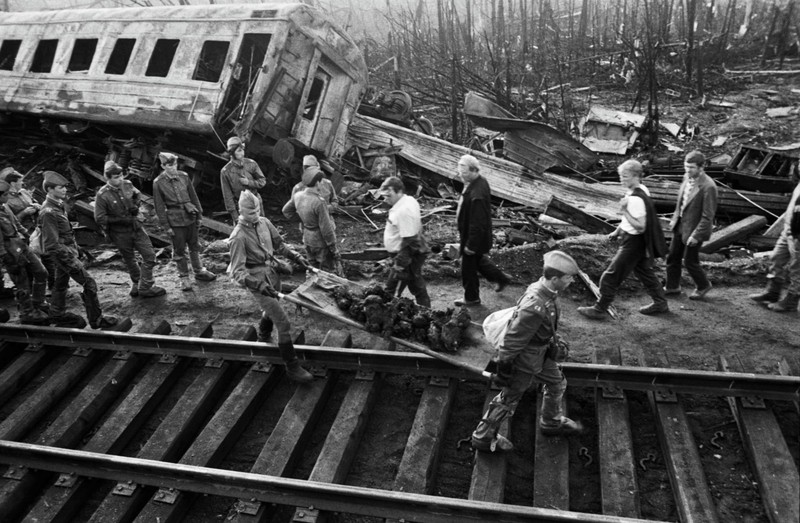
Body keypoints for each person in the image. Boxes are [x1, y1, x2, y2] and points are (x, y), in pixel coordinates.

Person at [471, 250, 583, 453]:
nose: (572, 282)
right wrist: (503, 367)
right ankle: (483, 437)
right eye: (569, 278)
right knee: (509, 399)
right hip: (525, 360)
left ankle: (550, 422)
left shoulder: (546, 291)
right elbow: (512, 341)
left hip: (541, 352)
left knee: (557, 382)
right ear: (555, 278)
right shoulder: (535, 305)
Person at [228, 190, 314, 383]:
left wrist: (296, 257)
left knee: (271, 308)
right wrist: (258, 284)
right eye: (251, 213)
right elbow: (237, 272)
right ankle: (292, 367)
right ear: (241, 211)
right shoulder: (238, 236)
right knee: (283, 322)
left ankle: (263, 335)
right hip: (257, 280)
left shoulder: (265, 222)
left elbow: (279, 245)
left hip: (273, 274)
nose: (255, 215)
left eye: (257, 210)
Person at [577, 159, 668, 319]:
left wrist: (624, 210)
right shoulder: (640, 190)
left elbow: (640, 226)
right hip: (635, 240)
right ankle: (660, 303)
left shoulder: (635, 199)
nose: (621, 179)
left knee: (610, 276)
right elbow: (633, 219)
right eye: (621, 176)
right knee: (645, 273)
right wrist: (617, 231)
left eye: (625, 176)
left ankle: (600, 309)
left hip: (634, 242)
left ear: (635, 176)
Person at [39, 170, 118, 329]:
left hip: (66, 252)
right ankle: (96, 319)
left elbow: (64, 235)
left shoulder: (58, 206)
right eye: (60, 188)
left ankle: (56, 313)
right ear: (49, 190)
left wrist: (77, 249)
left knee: (61, 283)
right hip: (63, 255)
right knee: (89, 283)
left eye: (64, 187)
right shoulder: (48, 212)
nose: (64, 190)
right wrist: (70, 258)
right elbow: (51, 244)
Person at [94, 161, 166, 299]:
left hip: (136, 228)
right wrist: (121, 220)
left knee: (150, 256)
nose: (120, 179)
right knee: (130, 259)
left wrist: (136, 205)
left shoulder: (127, 184)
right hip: (120, 233)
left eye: (121, 176)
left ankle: (145, 286)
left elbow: (137, 194)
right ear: (107, 178)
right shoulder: (102, 195)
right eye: (116, 177)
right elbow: (100, 218)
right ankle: (137, 282)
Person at [152, 152, 216, 291]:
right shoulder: (158, 183)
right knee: (179, 250)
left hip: (190, 215)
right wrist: (166, 226)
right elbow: (159, 207)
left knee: (194, 245)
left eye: (174, 164)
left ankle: (199, 271)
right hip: (175, 220)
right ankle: (184, 277)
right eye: (169, 165)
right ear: (163, 166)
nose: (173, 168)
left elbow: (193, 197)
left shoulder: (184, 177)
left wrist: (199, 215)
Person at [454, 154, 511, 306]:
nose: (460, 173)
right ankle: (501, 278)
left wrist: (471, 245)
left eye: (463, 170)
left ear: (473, 170)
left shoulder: (477, 192)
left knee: (468, 268)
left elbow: (477, 223)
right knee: (479, 262)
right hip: (475, 236)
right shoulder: (476, 182)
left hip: (475, 237)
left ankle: (472, 298)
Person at [664, 150, 717, 300]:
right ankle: (672, 286)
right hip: (680, 225)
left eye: (692, 167)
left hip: (695, 228)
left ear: (702, 167)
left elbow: (708, 216)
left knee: (690, 261)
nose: (688, 170)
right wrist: (675, 219)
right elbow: (681, 202)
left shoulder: (708, 187)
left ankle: (703, 285)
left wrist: (696, 235)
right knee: (672, 257)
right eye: (686, 166)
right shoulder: (686, 178)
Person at [749, 167, 800, 312]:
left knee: (797, 270)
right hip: (789, 230)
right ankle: (772, 292)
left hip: (799, 235)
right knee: (776, 258)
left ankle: (791, 301)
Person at [0, 180, 50, 324]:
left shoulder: (5, 207)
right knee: (22, 283)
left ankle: (39, 302)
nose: (8, 197)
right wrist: (5, 257)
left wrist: (29, 236)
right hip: (10, 250)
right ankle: (26, 312)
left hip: (21, 245)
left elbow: (17, 224)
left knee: (41, 272)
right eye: (5, 195)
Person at [379, 176, 431, 307]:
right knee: (414, 282)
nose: (385, 199)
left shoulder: (404, 210)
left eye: (389, 195)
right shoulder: (408, 200)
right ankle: (426, 309)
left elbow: (410, 241)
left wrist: (400, 264)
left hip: (405, 254)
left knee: (395, 287)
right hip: (407, 251)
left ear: (399, 191)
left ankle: (389, 312)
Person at [282, 166, 342, 274]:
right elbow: (326, 229)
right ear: (318, 183)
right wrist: (333, 248)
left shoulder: (297, 195)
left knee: (311, 268)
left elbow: (286, 211)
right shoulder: (319, 202)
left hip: (307, 238)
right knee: (327, 272)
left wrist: (304, 220)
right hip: (320, 242)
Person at [220, 136, 266, 223]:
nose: (243, 153)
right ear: (232, 153)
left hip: (256, 204)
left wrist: (249, 182)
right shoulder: (225, 172)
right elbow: (227, 196)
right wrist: (235, 216)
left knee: (261, 230)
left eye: (243, 150)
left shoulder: (251, 164)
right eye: (239, 151)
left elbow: (262, 181)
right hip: (240, 208)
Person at [2, 169, 41, 234]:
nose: (22, 183)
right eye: (20, 181)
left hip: (37, 229)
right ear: (13, 184)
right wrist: (24, 213)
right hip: (22, 233)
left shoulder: (24, 192)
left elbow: (37, 203)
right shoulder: (5, 199)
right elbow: (10, 221)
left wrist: (36, 206)